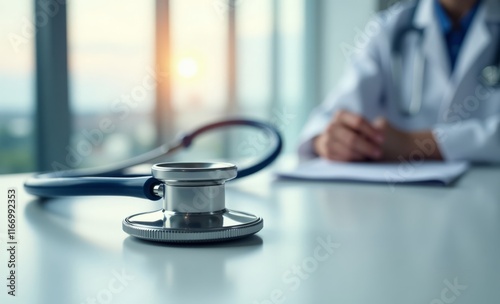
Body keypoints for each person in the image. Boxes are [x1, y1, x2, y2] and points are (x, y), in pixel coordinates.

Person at [299, 0, 500, 163]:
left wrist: (413, 144)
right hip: (402, 199)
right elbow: (333, 116)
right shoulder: (389, 28)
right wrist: (329, 140)